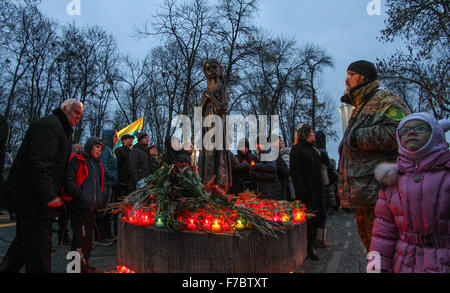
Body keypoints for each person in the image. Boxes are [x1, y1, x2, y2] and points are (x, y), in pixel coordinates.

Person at [0, 99, 83, 273]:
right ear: (65, 109)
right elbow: (39, 164)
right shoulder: (51, 126)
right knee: (39, 251)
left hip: (36, 200)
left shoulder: (63, 129)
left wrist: (66, 192)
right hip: (33, 200)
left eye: (81, 115)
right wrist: (49, 196)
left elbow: (59, 168)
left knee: (24, 246)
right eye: (76, 113)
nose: (78, 117)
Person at [337, 60, 411, 251]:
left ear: (363, 77)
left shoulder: (384, 100)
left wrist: (356, 137)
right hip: (363, 194)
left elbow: (402, 132)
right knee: (371, 246)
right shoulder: (361, 105)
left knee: (383, 247)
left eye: (350, 75)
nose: (346, 81)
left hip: (379, 193)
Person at [370, 113, 450, 273]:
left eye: (420, 128)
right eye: (405, 131)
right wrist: (374, 269)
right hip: (405, 263)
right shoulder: (392, 180)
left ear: (436, 133)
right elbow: (381, 234)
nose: (411, 133)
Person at [64, 137, 105, 273]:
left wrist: (100, 199)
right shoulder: (78, 160)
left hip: (92, 209)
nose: (99, 150)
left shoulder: (98, 165)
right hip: (80, 208)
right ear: (89, 146)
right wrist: (79, 195)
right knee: (79, 241)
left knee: (88, 240)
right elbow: (69, 179)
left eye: (101, 148)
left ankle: (84, 266)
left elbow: (99, 185)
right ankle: (74, 269)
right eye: (97, 147)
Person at [289, 124, 326, 261]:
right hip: (307, 191)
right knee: (308, 220)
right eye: (311, 132)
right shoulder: (297, 149)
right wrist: (301, 190)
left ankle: (311, 244)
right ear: (305, 134)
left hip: (317, 190)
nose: (314, 134)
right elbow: (295, 172)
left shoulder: (313, 149)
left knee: (315, 220)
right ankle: (306, 247)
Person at [198, 59, 232, 192]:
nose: (211, 71)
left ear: (219, 70)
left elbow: (223, 107)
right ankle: (206, 182)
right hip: (207, 125)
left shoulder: (222, 88)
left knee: (219, 154)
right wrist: (206, 96)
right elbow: (200, 111)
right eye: (208, 69)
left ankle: (219, 184)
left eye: (214, 67)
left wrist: (210, 95)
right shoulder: (205, 92)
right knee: (207, 154)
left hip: (218, 125)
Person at [95, 129, 119, 246]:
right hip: (105, 184)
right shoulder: (105, 150)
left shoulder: (111, 150)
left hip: (111, 184)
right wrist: (112, 176)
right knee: (103, 210)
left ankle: (107, 234)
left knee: (108, 210)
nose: (117, 139)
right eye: (115, 136)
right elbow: (103, 166)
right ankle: (100, 237)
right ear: (109, 137)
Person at [314, 131, 333, 248]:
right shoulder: (321, 152)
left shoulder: (316, 151)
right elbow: (327, 165)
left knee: (321, 211)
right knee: (322, 212)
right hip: (322, 182)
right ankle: (320, 239)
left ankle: (320, 238)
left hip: (321, 182)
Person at [249, 136, 282, 200]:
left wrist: (255, 166)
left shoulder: (268, 152)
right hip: (266, 189)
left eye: (257, 145)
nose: (256, 147)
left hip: (271, 190)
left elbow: (271, 167)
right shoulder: (263, 153)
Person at [114, 134, 134, 199]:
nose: (131, 140)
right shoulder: (119, 150)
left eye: (132, 139)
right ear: (123, 141)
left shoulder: (133, 152)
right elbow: (117, 166)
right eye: (129, 138)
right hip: (122, 182)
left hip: (131, 182)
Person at [273, 136, 291, 201]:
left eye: (281, 141)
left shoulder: (286, 153)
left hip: (287, 181)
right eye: (279, 141)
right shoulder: (274, 155)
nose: (281, 142)